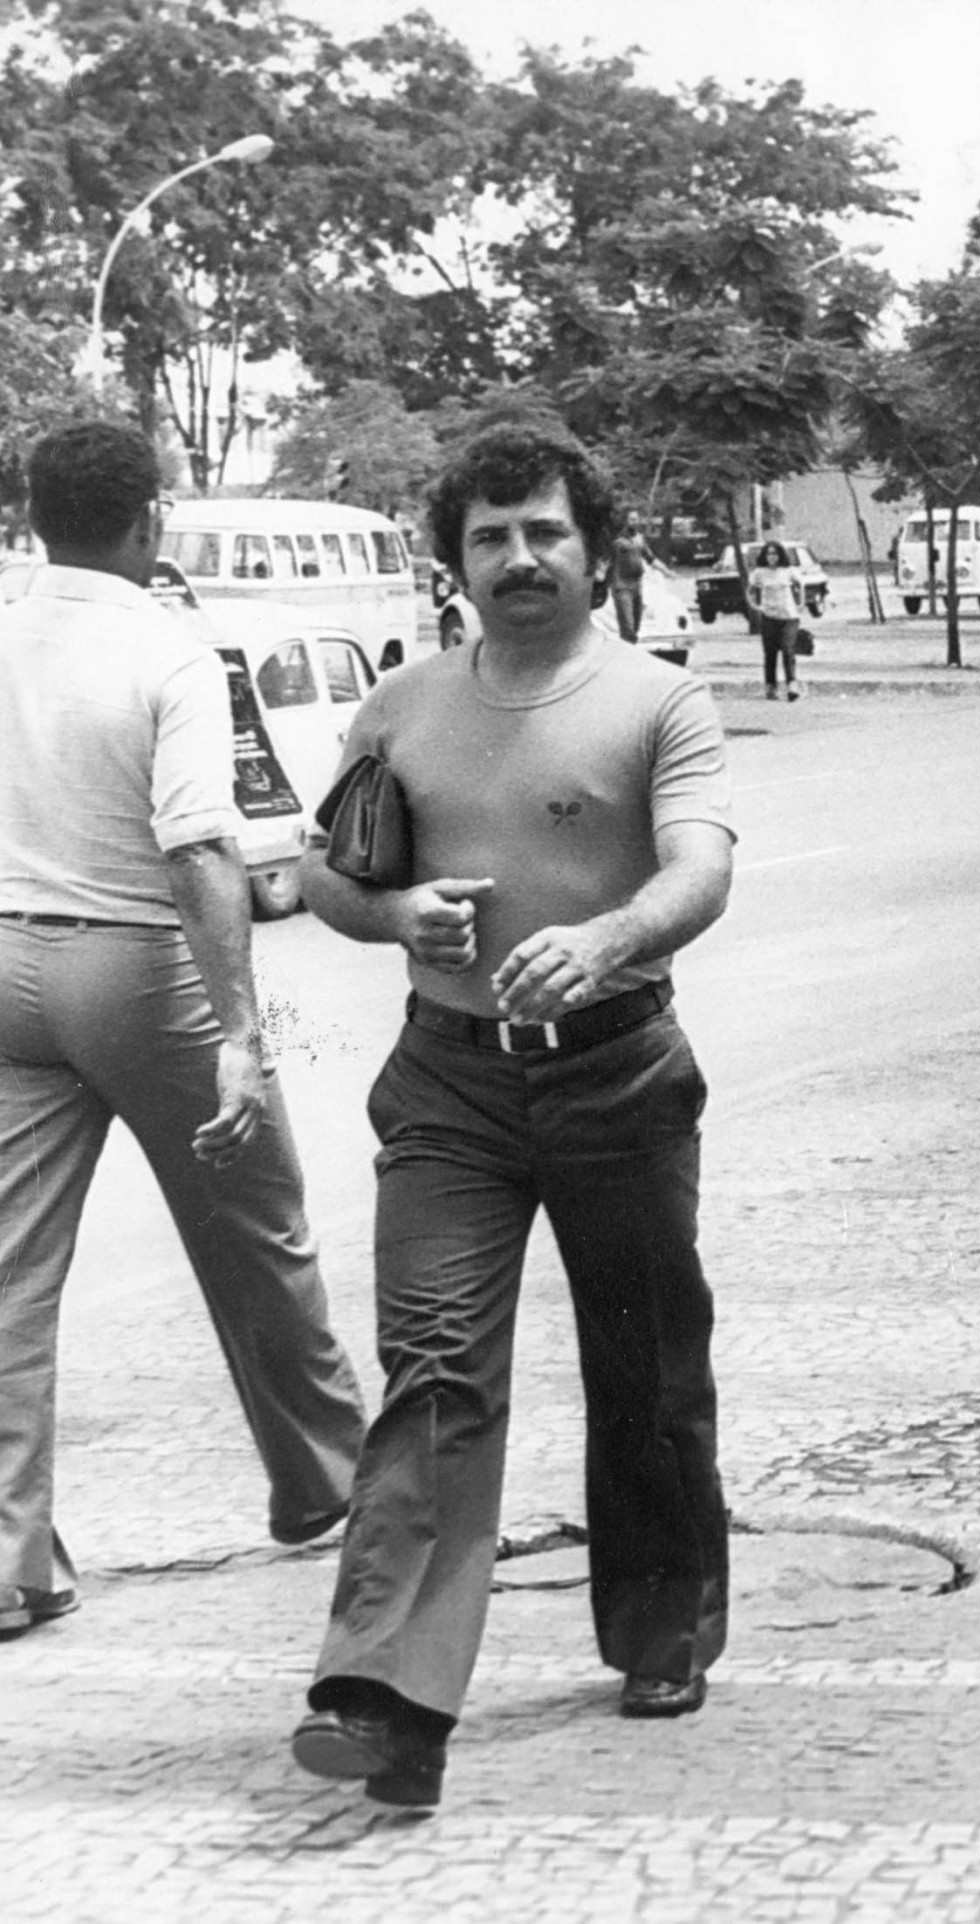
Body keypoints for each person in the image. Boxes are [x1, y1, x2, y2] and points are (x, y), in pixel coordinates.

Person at [288, 423, 738, 1809]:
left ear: (596, 551)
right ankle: (385, 1701)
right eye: (491, 537)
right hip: (450, 1087)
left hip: (619, 1071)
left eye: (545, 531)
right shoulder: (401, 708)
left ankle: (662, 1626)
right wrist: (389, 911)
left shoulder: (661, 702)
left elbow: (702, 871)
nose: (521, 557)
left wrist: (604, 944)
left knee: (644, 1359)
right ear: (456, 562)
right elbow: (324, 874)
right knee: (432, 1372)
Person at [0, 421, 367, 1641]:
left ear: (38, 513)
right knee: (256, 1226)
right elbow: (200, 845)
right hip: (136, 966)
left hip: (5, 961)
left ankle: (13, 1563)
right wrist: (240, 1033)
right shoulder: (169, 650)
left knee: (8, 1280)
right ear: (149, 520)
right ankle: (328, 1480)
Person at [747, 539, 803, 701]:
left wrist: (800, 604)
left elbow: (800, 585)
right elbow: (750, 591)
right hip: (769, 617)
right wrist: (754, 606)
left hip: (789, 617)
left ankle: (792, 684)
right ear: (765, 556)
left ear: (780, 555)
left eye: (775, 553)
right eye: (769, 554)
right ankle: (771, 687)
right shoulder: (759, 573)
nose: (772, 557)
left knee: (787, 649)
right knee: (770, 653)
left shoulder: (788, 571)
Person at [608, 528, 652, 644]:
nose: (634, 522)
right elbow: (605, 560)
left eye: (636, 519)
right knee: (628, 626)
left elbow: (651, 558)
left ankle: (630, 649)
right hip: (622, 586)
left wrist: (667, 571)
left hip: (637, 586)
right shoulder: (617, 541)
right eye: (631, 519)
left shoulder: (639, 539)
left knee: (636, 625)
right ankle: (627, 655)